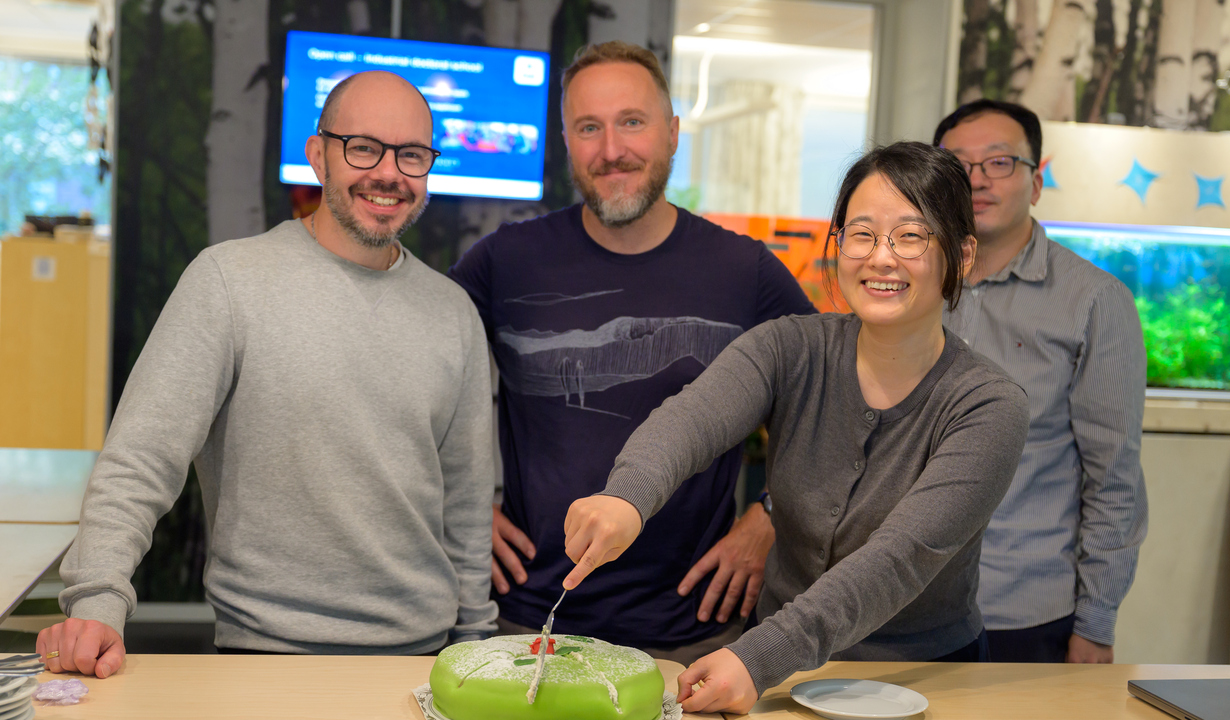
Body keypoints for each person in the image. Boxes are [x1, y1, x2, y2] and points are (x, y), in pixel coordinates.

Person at [39, 71, 497, 678]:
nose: (388, 173)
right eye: (363, 147)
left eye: (411, 155)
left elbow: (466, 507)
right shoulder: (228, 281)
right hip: (264, 657)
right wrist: (97, 602)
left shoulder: (453, 312)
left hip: (424, 662)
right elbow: (140, 461)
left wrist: (475, 650)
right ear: (318, 156)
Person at [561, 142, 1032, 713]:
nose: (881, 258)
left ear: (960, 255)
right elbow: (694, 417)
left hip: (923, 679)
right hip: (786, 680)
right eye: (861, 233)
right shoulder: (790, 347)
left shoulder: (988, 406)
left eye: (911, 236)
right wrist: (626, 499)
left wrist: (757, 657)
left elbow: (900, 557)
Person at [447, 41, 816, 665]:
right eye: (589, 127)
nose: (612, 149)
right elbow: (411, 382)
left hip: (695, 631)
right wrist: (455, 509)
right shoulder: (506, 260)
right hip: (526, 624)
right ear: (567, 140)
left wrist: (770, 516)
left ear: (673, 133)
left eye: (633, 122)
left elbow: (833, 400)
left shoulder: (744, 270)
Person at [933, 100, 1148, 664]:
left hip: (1022, 611)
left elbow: (1115, 480)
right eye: (958, 164)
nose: (977, 180)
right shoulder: (906, 285)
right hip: (898, 602)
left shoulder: (1093, 301)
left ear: (1036, 179)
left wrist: (1096, 624)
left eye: (999, 162)